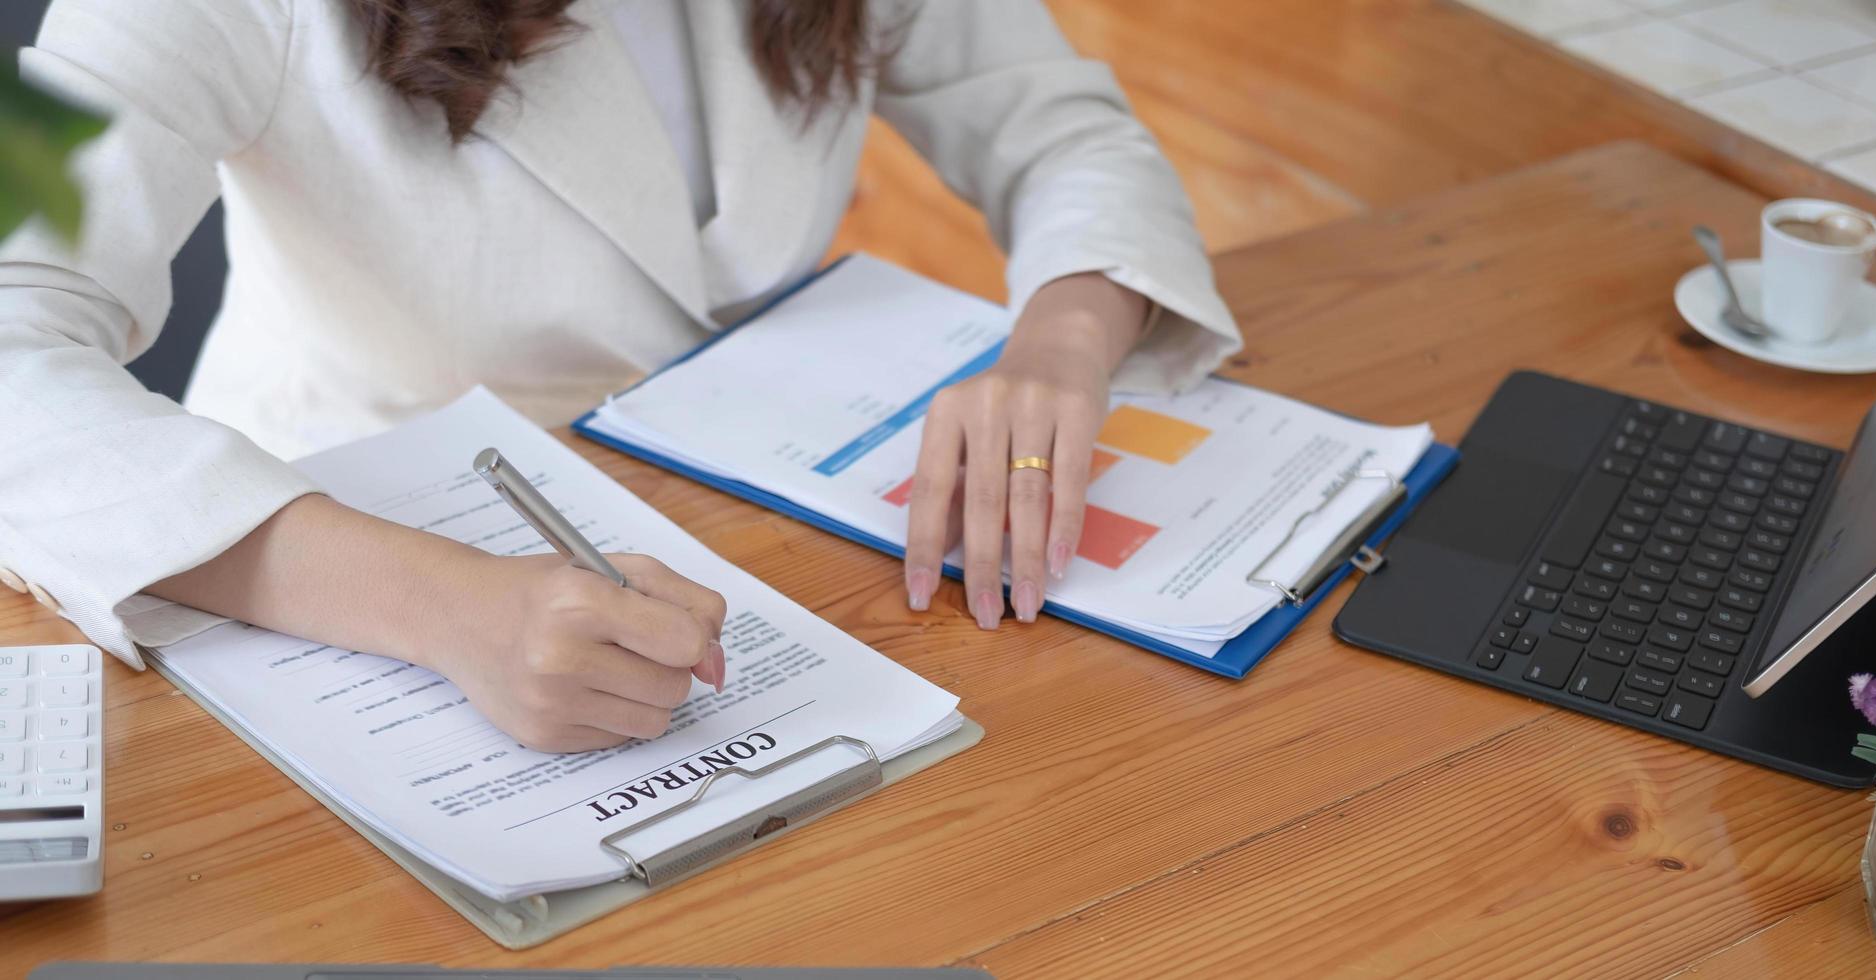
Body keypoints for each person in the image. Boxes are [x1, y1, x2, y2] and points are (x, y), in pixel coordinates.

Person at [0, 0, 1239, 750]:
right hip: (349, 562)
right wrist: (441, 604)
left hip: (760, 518)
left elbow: (1059, 125)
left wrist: (1059, 345)